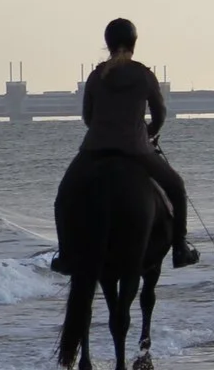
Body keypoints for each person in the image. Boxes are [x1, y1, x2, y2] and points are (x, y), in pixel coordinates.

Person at [62, 18, 199, 268]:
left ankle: (65, 256)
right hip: (137, 150)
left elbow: (88, 117)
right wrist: (146, 133)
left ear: (108, 44)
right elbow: (160, 115)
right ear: (134, 43)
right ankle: (180, 248)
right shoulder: (144, 75)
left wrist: (104, 131)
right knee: (177, 188)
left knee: (63, 196)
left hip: (94, 149)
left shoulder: (96, 75)